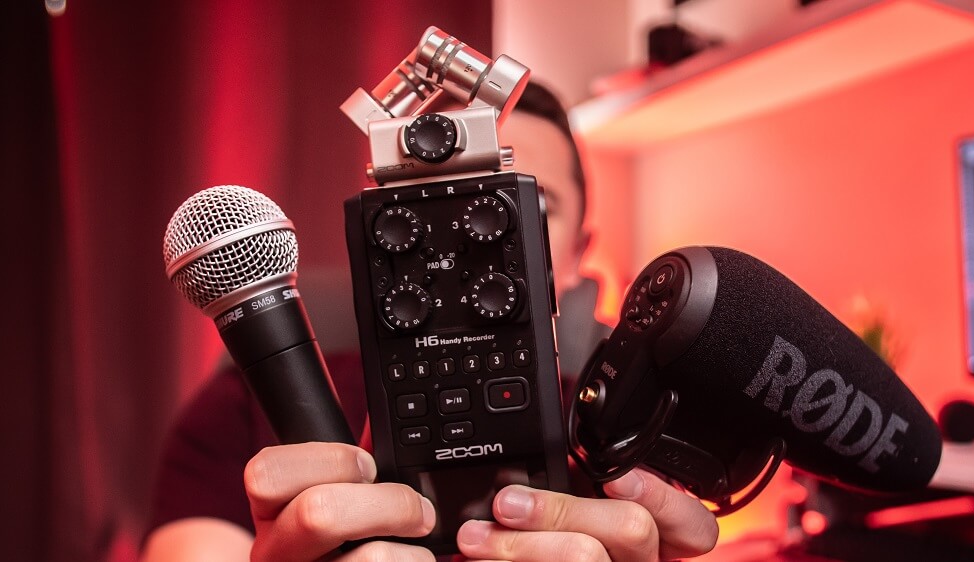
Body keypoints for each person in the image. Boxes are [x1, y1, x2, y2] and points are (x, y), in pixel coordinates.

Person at [142, 82, 719, 561]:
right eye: (428, 202)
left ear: (574, 256)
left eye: (528, 203)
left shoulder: (635, 433)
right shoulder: (245, 413)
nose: (482, 229)